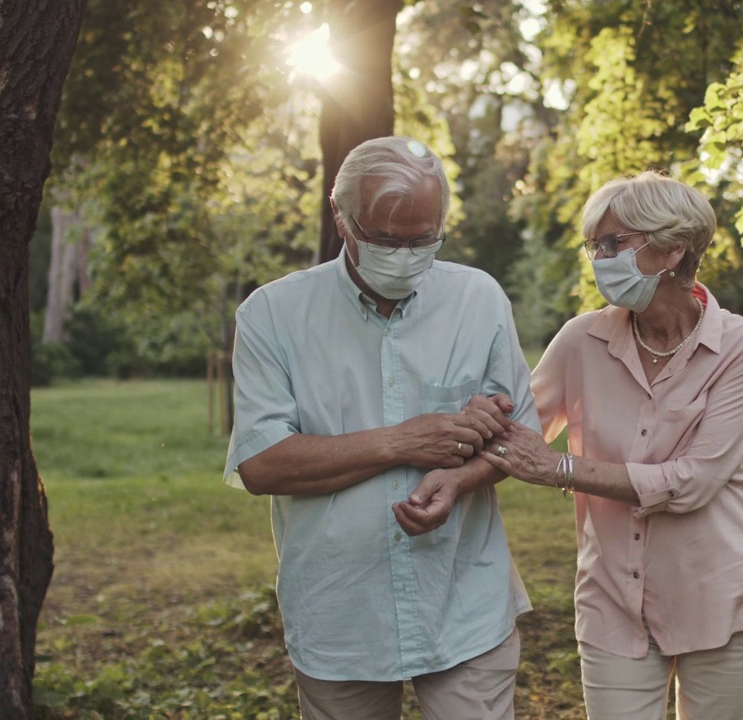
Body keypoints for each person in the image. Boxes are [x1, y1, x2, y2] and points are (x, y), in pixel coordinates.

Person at [224, 136, 536, 720]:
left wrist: (461, 477)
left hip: (463, 600)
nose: (406, 254)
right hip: (340, 612)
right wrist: (404, 441)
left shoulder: (479, 299)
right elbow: (263, 464)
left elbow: (518, 435)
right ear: (341, 218)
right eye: (387, 240)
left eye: (424, 239)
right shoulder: (272, 315)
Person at [478, 171, 743, 719]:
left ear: (671, 249)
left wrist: (562, 468)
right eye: (595, 245)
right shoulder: (580, 340)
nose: (599, 258)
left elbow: (694, 481)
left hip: (723, 597)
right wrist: (455, 454)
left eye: (614, 243)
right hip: (613, 600)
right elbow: (515, 435)